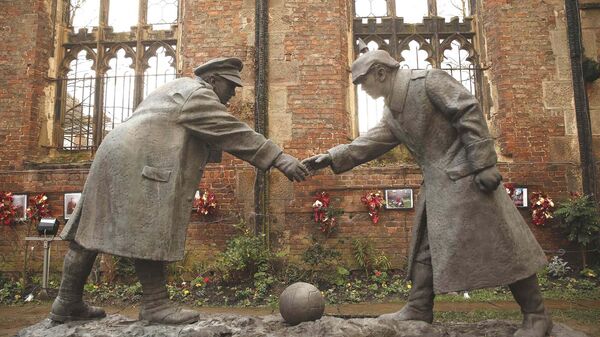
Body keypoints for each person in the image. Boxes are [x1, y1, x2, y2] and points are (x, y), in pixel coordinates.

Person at [303, 48, 552, 337]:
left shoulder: (429, 81)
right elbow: (372, 141)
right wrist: (332, 156)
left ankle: (536, 315)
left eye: (362, 81)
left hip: (468, 178)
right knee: (426, 247)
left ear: (380, 73)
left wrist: (484, 163)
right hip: (438, 184)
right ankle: (419, 306)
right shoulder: (392, 111)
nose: (362, 88)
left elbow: (467, 108)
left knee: (504, 243)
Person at [51, 57, 309, 325]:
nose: (232, 94)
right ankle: (155, 304)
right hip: (138, 159)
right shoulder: (198, 95)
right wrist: (280, 158)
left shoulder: (180, 89)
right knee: (150, 227)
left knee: (90, 230)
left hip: (116, 155)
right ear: (212, 80)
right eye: (230, 86)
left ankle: (66, 303)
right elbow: (233, 132)